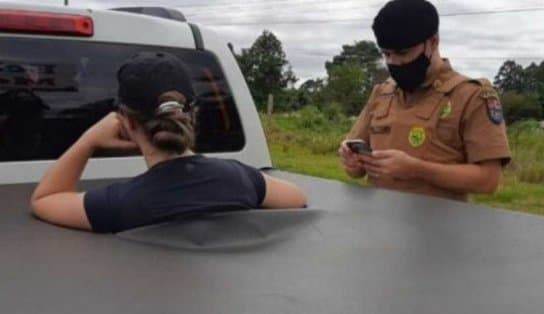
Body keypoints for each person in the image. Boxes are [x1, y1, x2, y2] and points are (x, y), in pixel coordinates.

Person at [31, 51, 307, 233]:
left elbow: (45, 198)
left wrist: (89, 140)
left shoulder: (119, 204)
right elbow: (297, 198)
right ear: (193, 115)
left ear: (126, 122)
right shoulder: (239, 178)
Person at [339, 0, 511, 201]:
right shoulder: (382, 93)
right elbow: (356, 170)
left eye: (403, 52)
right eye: (386, 54)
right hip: (379, 222)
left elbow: (488, 180)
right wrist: (352, 162)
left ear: (433, 42)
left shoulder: (471, 96)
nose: (394, 62)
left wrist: (417, 170)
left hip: (439, 227)